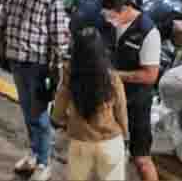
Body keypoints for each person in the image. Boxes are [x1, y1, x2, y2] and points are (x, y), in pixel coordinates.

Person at [0, 0, 69, 181]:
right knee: (27, 111)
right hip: (16, 58)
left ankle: (43, 162)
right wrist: (2, 41)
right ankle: (33, 152)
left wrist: (58, 67)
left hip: (37, 63)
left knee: (39, 114)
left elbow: (59, 31)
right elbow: (4, 17)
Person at [51, 26, 128, 181]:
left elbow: (59, 104)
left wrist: (61, 121)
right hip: (110, 141)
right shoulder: (111, 76)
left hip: (80, 140)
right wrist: (125, 135)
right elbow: (121, 110)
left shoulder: (70, 73)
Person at [99, 0, 160, 181]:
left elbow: (150, 76)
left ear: (126, 9)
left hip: (135, 103)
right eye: (106, 15)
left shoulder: (147, 32)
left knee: (141, 158)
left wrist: (114, 75)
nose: (109, 19)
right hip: (110, 99)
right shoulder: (109, 24)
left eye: (113, 15)